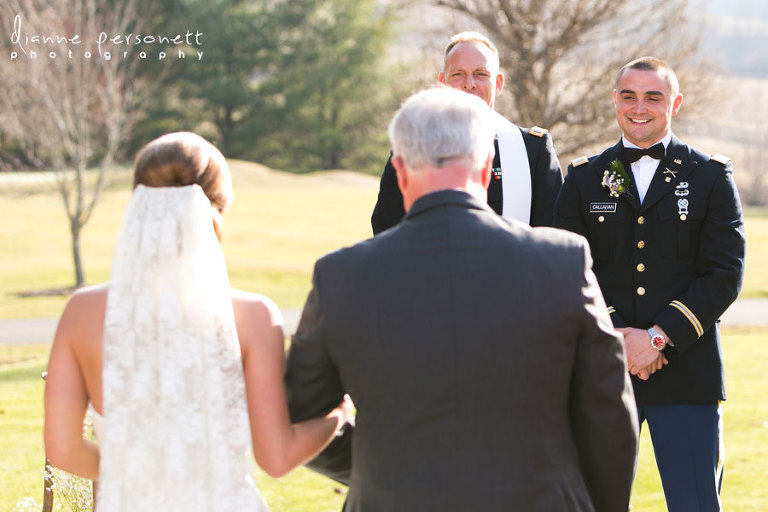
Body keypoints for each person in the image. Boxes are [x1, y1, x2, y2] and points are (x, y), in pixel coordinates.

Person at [285, 87, 639, 511]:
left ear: (399, 171)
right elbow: (610, 419)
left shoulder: (341, 276)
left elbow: (302, 415)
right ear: (488, 168)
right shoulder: (561, 262)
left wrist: (378, 468)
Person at [43, 132, 351, 512]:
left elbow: (63, 449)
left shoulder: (81, 312)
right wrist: (337, 416)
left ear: (139, 203)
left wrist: (141, 477)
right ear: (216, 212)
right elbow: (276, 456)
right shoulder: (254, 316)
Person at [554, 57, 746, 511]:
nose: (639, 107)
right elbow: (569, 267)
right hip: (604, 372)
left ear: (674, 103)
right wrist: (621, 337)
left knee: (695, 503)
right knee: (592, 503)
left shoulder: (709, 176)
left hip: (686, 374)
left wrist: (658, 338)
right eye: (628, 96)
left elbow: (725, 273)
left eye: (653, 97)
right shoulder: (583, 178)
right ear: (614, 101)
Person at [371, 31, 563, 234]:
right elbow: (387, 230)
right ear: (442, 82)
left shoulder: (533, 151)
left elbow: (552, 236)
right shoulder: (412, 147)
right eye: (458, 74)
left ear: (498, 84)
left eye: (481, 74)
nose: (469, 83)